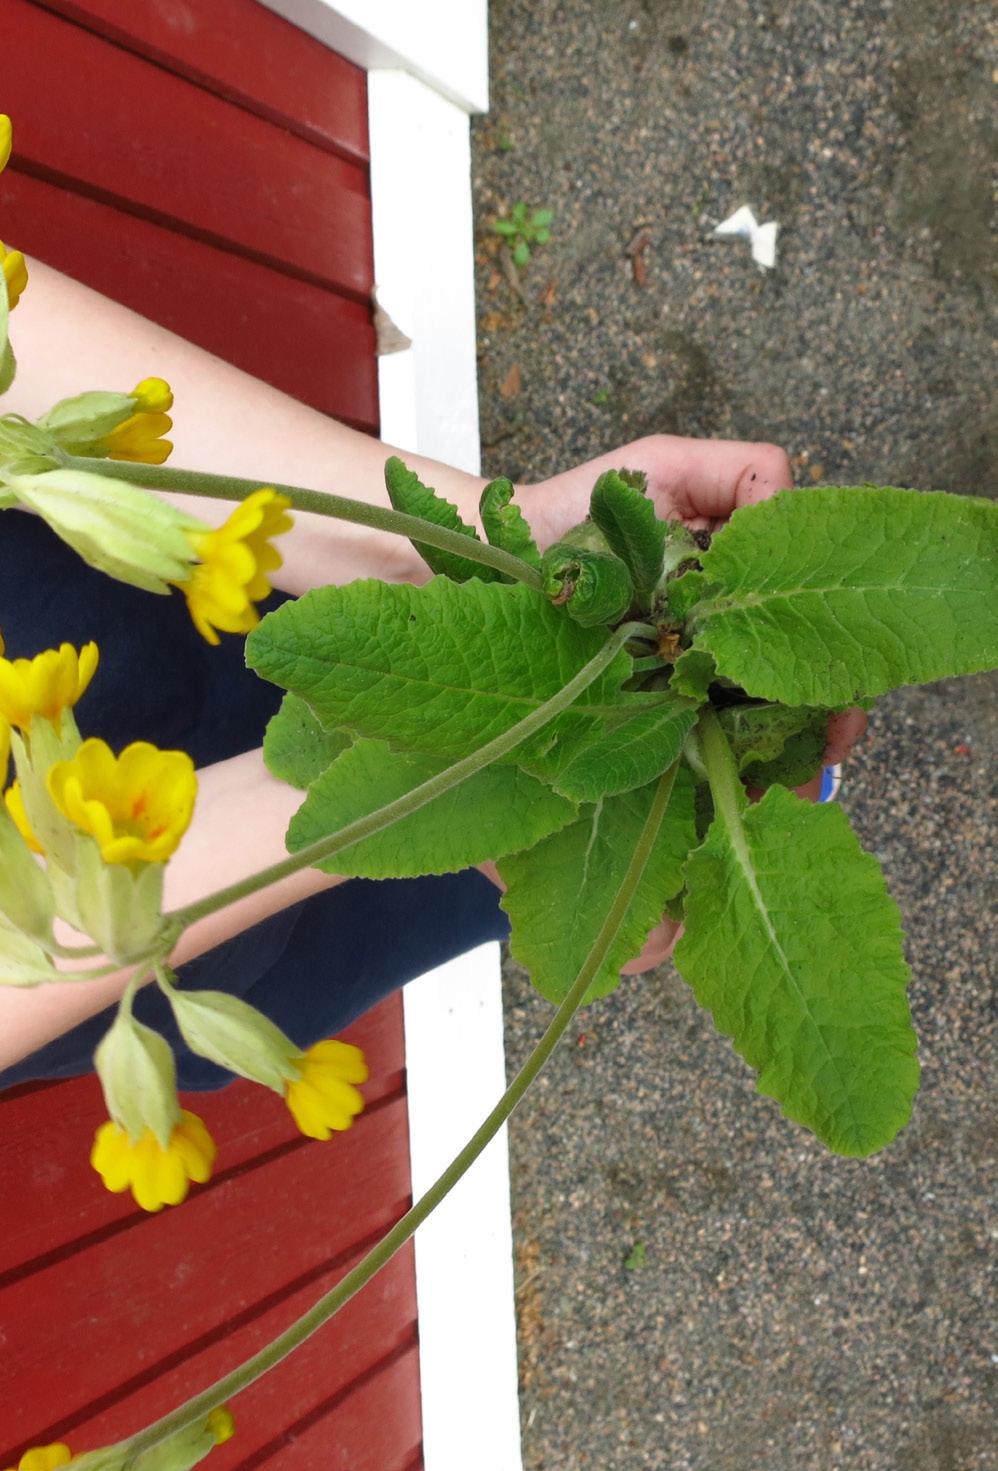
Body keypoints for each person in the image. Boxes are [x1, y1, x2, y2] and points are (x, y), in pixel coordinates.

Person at [0, 262, 865, 1085]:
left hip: (125, 570)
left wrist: (439, 557)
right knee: (509, 842)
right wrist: (407, 783)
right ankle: (657, 781)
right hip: (165, 930)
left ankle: (697, 747)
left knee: (524, 779)